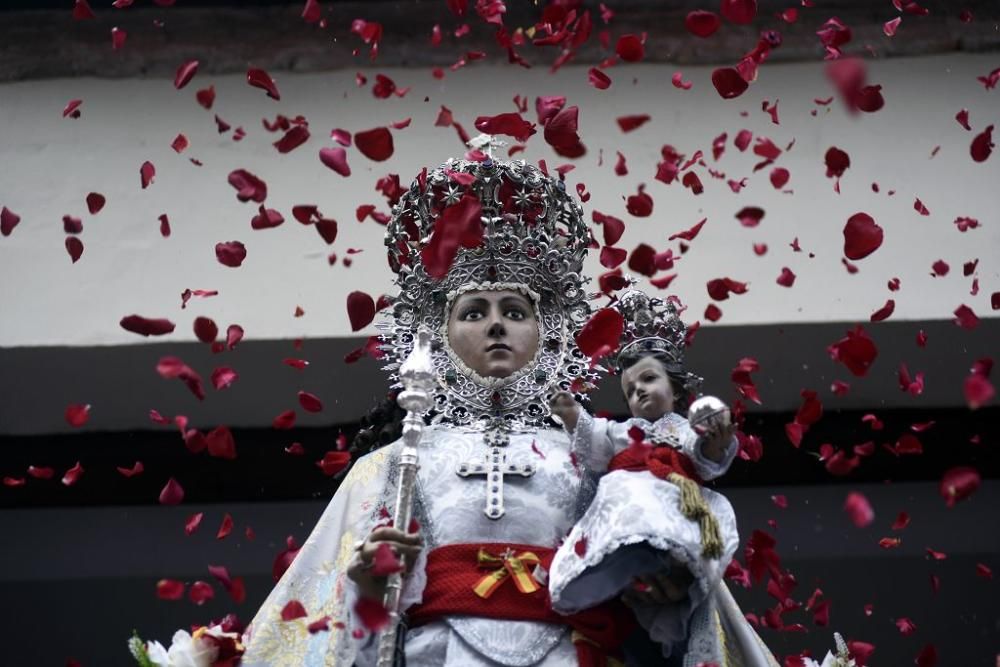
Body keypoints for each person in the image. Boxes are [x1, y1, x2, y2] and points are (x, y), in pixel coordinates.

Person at [240, 141, 778, 666]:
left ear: (548, 334)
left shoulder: (590, 459)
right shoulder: (391, 466)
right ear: (438, 334)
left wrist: (663, 583)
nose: (496, 323)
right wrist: (370, 588)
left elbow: (652, 597)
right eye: (474, 311)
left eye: (515, 311)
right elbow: (334, 636)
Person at [546, 290, 759, 663]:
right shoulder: (625, 433)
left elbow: (707, 459)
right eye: (630, 389)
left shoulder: (684, 430)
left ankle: (675, 569)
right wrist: (571, 414)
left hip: (676, 504)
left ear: (675, 387)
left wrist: (714, 442)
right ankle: (624, 567)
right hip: (629, 506)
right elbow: (593, 440)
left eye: (647, 379)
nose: (639, 390)